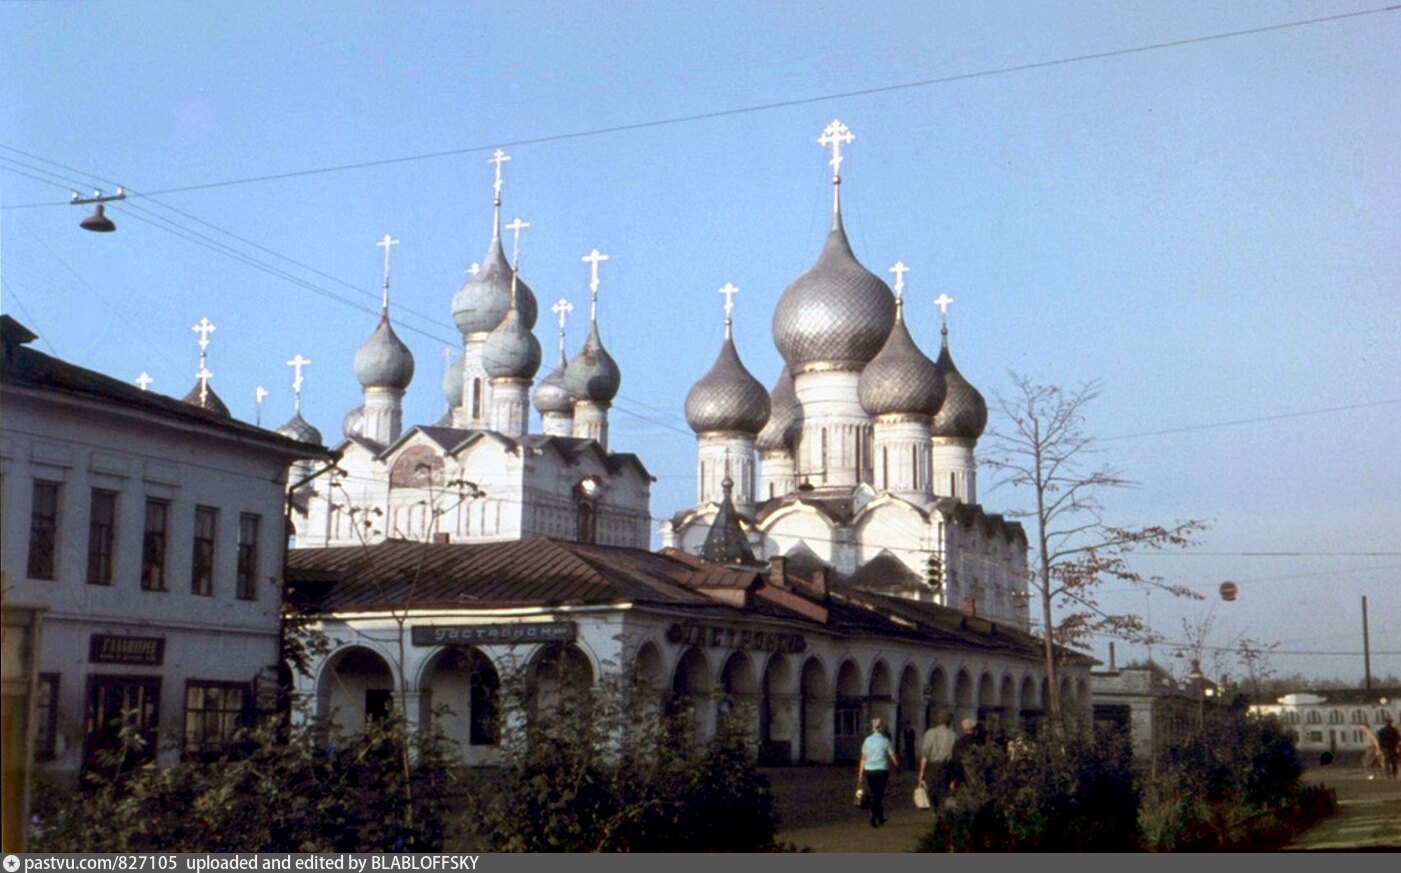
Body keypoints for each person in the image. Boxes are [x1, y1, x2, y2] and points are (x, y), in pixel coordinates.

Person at [857, 716, 899, 827]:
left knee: (875, 793)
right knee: (878, 794)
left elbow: (863, 758)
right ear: (880, 728)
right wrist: (897, 766)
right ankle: (872, 816)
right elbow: (893, 756)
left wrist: (860, 773)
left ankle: (880, 817)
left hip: (869, 770)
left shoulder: (867, 741)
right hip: (882, 770)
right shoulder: (885, 741)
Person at [916, 712, 957, 805]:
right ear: (950, 722)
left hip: (932, 767)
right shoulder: (953, 735)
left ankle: (936, 810)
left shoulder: (930, 733)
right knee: (944, 791)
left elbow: (925, 754)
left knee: (932, 790)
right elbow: (955, 755)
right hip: (947, 767)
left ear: (939, 721)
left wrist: (921, 773)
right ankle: (942, 812)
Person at [948, 716, 985, 793]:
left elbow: (956, 759)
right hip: (976, 773)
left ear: (963, 729)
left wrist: (954, 777)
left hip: (962, 773)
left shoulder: (959, 742)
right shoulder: (979, 742)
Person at [1378, 714, 1400, 780]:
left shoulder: (1381, 731)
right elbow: (1398, 739)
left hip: (1386, 748)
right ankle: (1394, 774)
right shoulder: (1395, 730)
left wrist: (1380, 748)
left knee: (1387, 761)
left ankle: (1388, 774)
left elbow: (1380, 740)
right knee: (1393, 762)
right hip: (1392, 748)